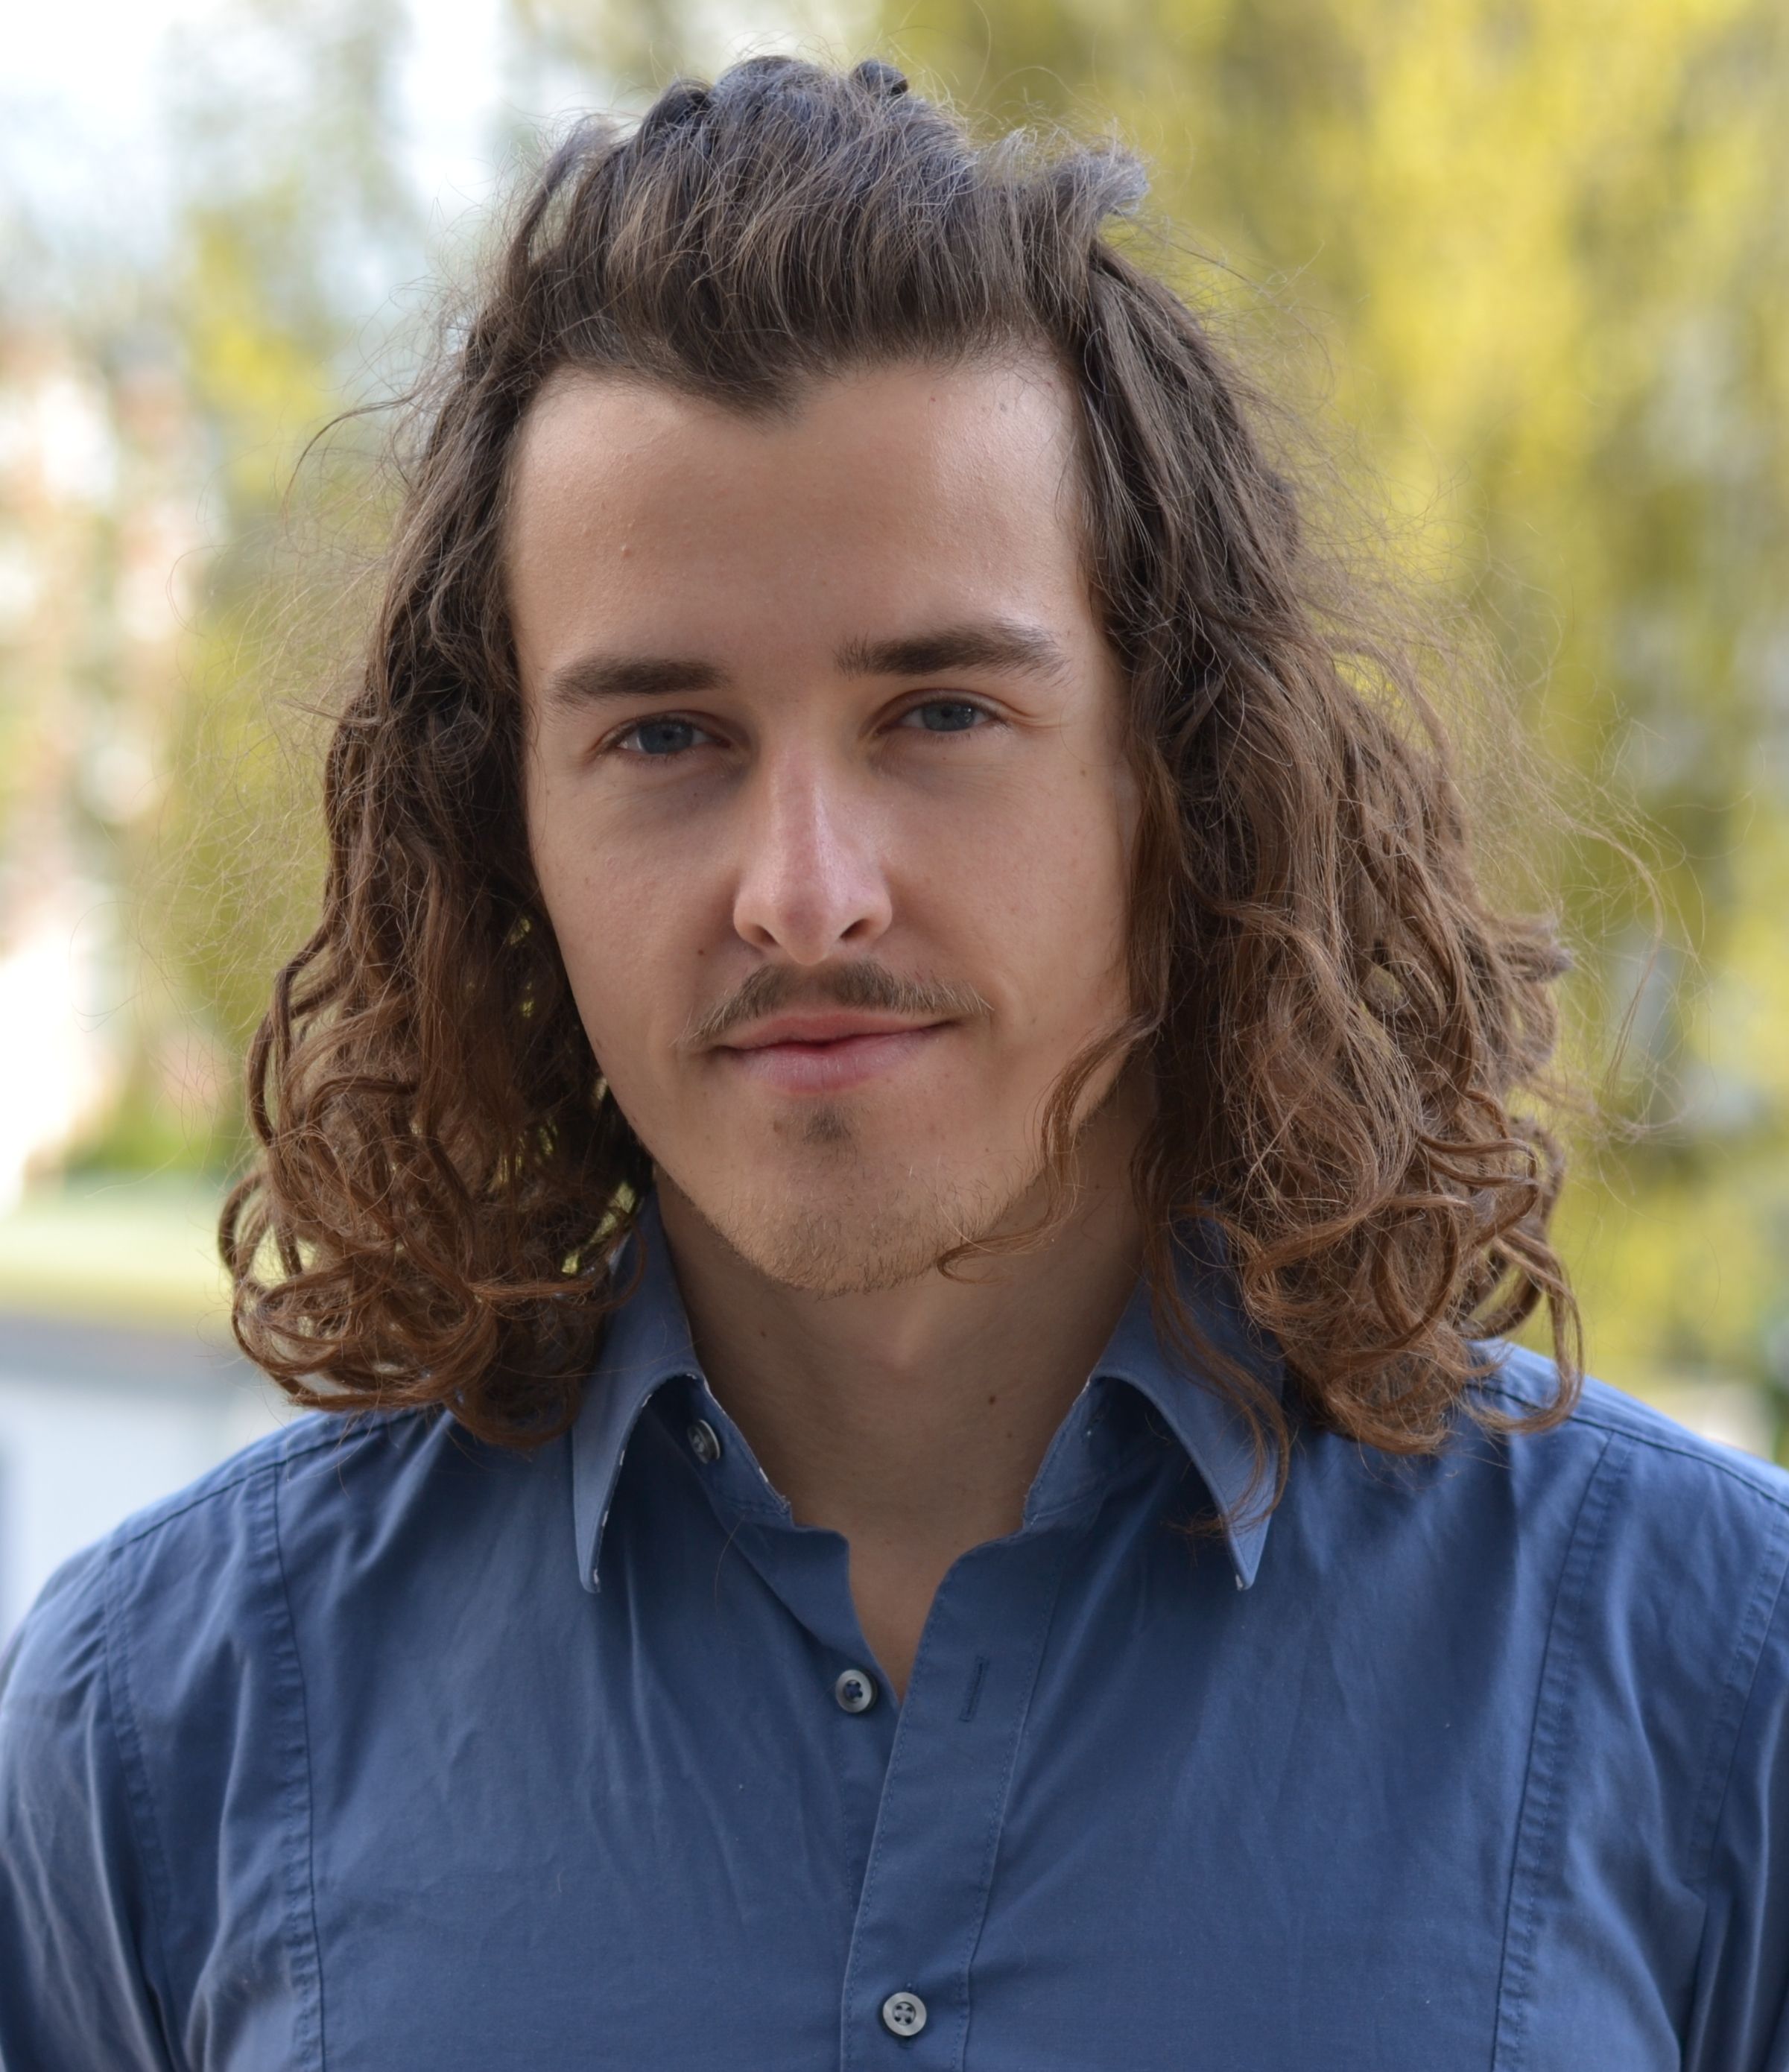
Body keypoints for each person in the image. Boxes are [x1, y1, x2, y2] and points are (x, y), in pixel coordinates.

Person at [2, 53, 1785, 2070]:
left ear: (1181, 781)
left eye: (937, 711)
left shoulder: (1710, 1684)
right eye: (662, 736)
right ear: (502, 836)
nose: (802, 894)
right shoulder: (167, 1725)